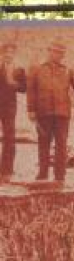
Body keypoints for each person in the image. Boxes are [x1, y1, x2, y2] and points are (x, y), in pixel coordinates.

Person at [27, 40, 74, 184]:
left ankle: (60, 175)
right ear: (49, 51)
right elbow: (31, 91)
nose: (58, 55)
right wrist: (31, 109)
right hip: (43, 112)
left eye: (61, 53)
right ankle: (43, 173)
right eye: (55, 52)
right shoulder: (36, 68)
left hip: (62, 113)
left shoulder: (68, 70)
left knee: (61, 144)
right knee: (43, 143)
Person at [0, 42, 26, 183]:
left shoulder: (19, 70)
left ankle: (7, 170)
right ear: (2, 54)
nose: (8, 55)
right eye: (6, 52)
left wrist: (13, 84)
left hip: (9, 107)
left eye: (11, 53)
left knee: (9, 137)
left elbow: (24, 88)